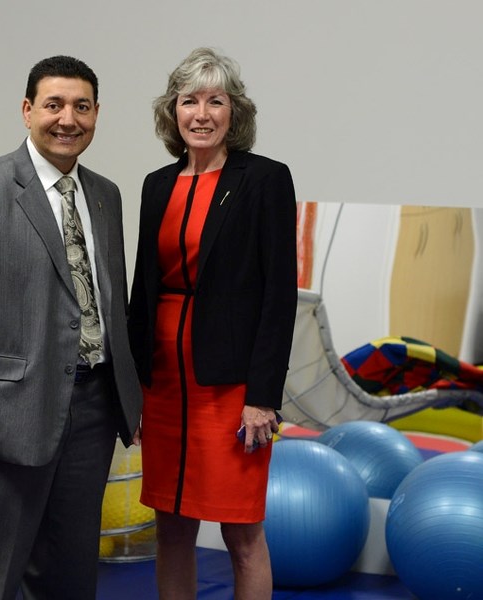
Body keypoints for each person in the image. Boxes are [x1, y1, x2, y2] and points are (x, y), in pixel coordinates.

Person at [0, 55, 142, 600]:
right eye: (54, 105)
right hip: (7, 420)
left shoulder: (106, 195)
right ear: (27, 111)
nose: (68, 119)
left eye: (82, 106)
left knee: (69, 571)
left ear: (96, 115)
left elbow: (110, 303)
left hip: (92, 409)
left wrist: (129, 400)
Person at [128, 47, 298, 599]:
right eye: (189, 101)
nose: (201, 113)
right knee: (170, 528)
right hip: (164, 384)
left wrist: (263, 396)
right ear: (172, 113)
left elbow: (279, 297)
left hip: (231, 387)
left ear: (234, 112)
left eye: (215, 101)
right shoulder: (157, 184)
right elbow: (142, 292)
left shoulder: (265, 179)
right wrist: (131, 393)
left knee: (241, 531)